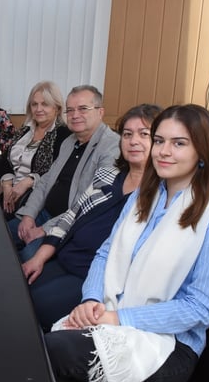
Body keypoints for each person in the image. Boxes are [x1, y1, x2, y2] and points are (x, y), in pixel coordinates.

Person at [45, 104, 209, 382]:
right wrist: (92, 300)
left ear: (202, 152)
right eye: (160, 140)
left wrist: (116, 318)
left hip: (169, 350)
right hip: (112, 318)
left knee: (51, 348)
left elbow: (199, 309)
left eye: (179, 143)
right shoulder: (143, 199)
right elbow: (105, 254)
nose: (163, 151)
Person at [22, 104, 162, 330]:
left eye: (144, 134)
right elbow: (71, 216)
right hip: (64, 256)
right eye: (127, 134)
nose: (133, 141)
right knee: (15, 289)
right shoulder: (108, 175)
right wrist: (39, 257)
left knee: (32, 307)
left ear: (160, 141)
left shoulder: (160, 194)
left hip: (94, 278)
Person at [10, 85, 120, 261]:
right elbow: (46, 181)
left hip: (68, 226)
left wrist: (45, 229)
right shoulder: (69, 141)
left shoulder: (112, 146)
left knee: (27, 257)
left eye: (83, 109)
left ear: (100, 112)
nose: (75, 115)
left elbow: (90, 204)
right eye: (70, 110)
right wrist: (28, 215)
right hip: (42, 213)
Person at [0, 81, 71, 209]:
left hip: (36, 193)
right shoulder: (24, 130)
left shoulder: (64, 134)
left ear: (57, 108)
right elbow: (5, 159)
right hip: (12, 184)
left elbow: (59, 172)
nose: (38, 109)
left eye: (45, 104)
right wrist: (7, 182)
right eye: (34, 104)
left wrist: (29, 181)